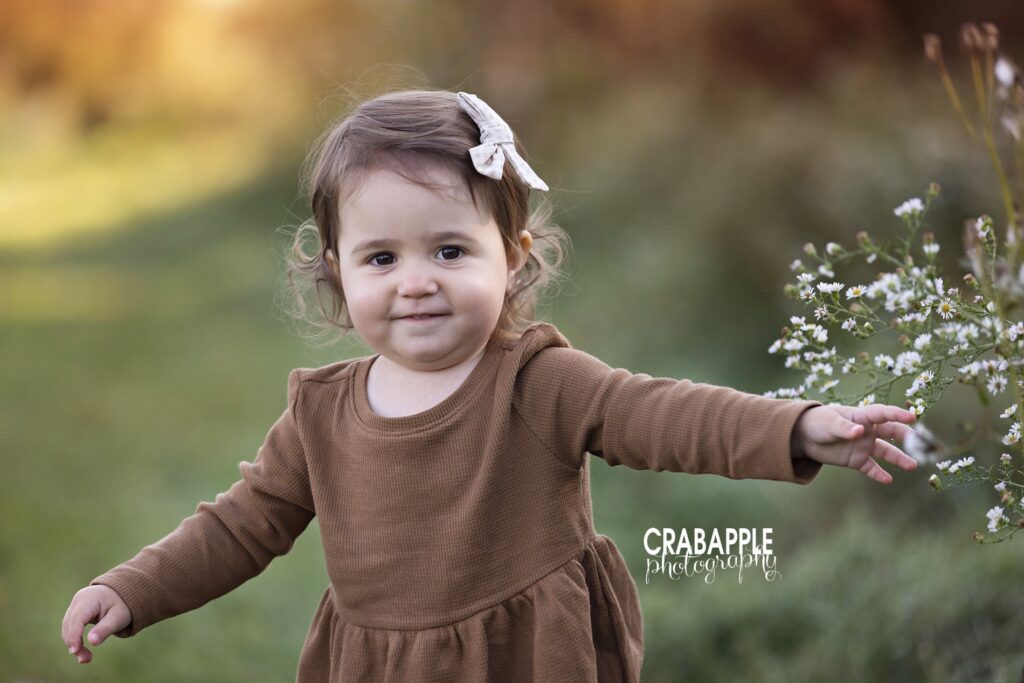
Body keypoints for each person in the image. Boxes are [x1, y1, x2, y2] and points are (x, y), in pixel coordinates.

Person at [61, 89, 918, 682]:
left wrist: (796, 427)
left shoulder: (536, 381)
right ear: (338, 274)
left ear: (510, 258)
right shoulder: (320, 415)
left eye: (449, 249)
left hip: (530, 657)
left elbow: (656, 412)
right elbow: (240, 526)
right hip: (379, 666)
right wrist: (131, 588)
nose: (416, 282)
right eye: (381, 258)